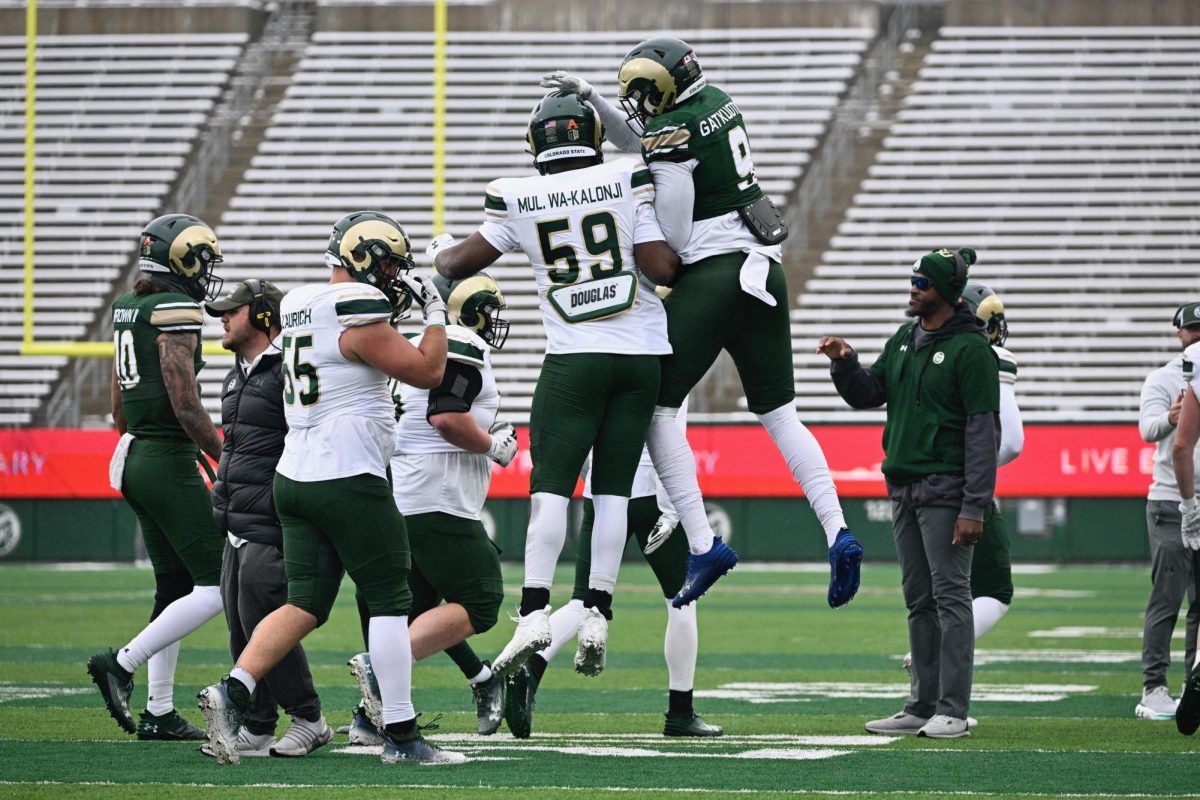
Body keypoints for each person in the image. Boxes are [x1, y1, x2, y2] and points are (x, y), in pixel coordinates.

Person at [540, 38, 862, 611]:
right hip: (764, 269)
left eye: (637, 95)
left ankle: (702, 540)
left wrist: (636, 207)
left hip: (717, 273)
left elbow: (676, 236)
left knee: (656, 405)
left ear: (659, 90)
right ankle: (838, 530)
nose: (636, 105)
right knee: (781, 414)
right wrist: (593, 97)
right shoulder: (715, 100)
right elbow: (648, 143)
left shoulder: (676, 133)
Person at [196, 210, 463, 766]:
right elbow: (428, 371)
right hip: (348, 475)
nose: (394, 274)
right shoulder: (357, 307)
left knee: (304, 603)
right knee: (392, 602)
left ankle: (233, 690)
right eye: (388, 261)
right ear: (362, 256)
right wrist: (436, 308)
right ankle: (403, 735)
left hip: (294, 478)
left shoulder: (297, 302)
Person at [430, 91, 679, 680]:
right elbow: (663, 267)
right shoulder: (623, 175)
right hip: (642, 354)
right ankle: (596, 611)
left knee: (551, 490)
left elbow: (459, 265)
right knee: (612, 493)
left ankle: (537, 610)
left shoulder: (517, 194)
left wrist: (442, 252)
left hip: (575, 359)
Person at [818, 247, 1000, 739]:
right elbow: (869, 392)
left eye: (922, 281)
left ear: (946, 291)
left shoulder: (971, 350)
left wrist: (974, 505)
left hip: (946, 490)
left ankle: (953, 710)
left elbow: (984, 432)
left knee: (951, 600)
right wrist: (846, 363)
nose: (913, 287)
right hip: (903, 488)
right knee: (919, 600)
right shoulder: (903, 338)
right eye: (912, 279)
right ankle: (921, 705)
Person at [344, 272, 515, 741]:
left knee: (410, 608)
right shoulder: (461, 343)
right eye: (491, 310)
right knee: (481, 600)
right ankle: (380, 676)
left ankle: (369, 715)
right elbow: (446, 416)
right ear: (475, 309)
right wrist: (491, 446)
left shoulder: (422, 343)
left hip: (400, 493)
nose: (495, 321)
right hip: (436, 499)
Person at [87, 213, 227, 741]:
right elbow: (185, 403)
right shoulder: (176, 309)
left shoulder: (129, 307)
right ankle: (121, 665)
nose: (207, 270)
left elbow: (120, 401)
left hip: (136, 452)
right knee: (219, 584)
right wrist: (222, 453)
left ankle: (159, 711)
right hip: (165, 458)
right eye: (204, 259)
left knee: (174, 585)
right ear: (181, 258)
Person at [505, 427, 723, 740]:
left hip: (603, 488)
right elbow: (673, 431)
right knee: (682, 601)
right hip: (654, 491)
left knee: (583, 602)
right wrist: (674, 508)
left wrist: (591, 475)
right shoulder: (665, 374)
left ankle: (530, 667)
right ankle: (680, 711)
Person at [204, 278, 331, 758]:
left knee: (264, 621)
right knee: (240, 625)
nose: (223, 319)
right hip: (238, 518)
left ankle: (309, 717)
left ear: (260, 315)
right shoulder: (236, 374)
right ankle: (258, 725)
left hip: (272, 517)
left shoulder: (285, 372)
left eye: (231, 311)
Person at [1144, 302, 1200, 726]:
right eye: (1191, 329)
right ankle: (1153, 687)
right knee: (1168, 597)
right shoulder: (1164, 378)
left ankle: (1191, 684)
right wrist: (1171, 415)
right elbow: (1148, 430)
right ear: (1178, 332)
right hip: (1169, 498)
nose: (1196, 335)